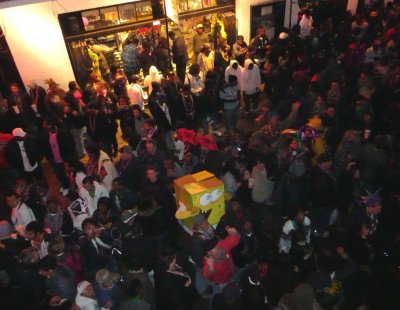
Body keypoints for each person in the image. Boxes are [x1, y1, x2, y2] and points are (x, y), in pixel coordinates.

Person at [41, 122, 74, 196]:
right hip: (55, 160)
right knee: (59, 174)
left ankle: (71, 185)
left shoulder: (64, 134)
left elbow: (70, 145)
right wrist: (49, 158)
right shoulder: (45, 136)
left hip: (65, 158)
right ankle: (66, 185)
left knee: (71, 172)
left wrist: (69, 157)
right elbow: (45, 148)